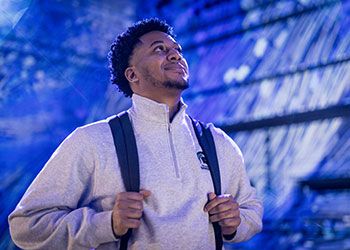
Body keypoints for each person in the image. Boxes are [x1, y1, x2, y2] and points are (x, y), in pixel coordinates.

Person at [9, 18, 263, 249]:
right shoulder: (92, 141)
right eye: (159, 49)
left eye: (177, 50)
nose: (175, 56)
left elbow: (252, 210)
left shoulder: (217, 142)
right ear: (132, 74)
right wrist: (107, 224)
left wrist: (235, 223)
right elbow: (26, 225)